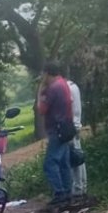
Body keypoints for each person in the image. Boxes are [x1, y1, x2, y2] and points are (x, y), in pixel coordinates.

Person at [36, 61, 73, 205]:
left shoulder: (52, 89)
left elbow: (42, 110)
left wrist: (40, 91)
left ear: (46, 73)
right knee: (64, 163)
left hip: (56, 129)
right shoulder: (63, 83)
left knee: (50, 164)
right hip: (66, 128)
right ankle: (67, 193)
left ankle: (59, 193)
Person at [67, 79, 87, 197]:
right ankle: (82, 186)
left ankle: (78, 188)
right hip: (75, 125)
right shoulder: (73, 86)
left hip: (71, 128)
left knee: (74, 158)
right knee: (78, 157)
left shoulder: (68, 88)